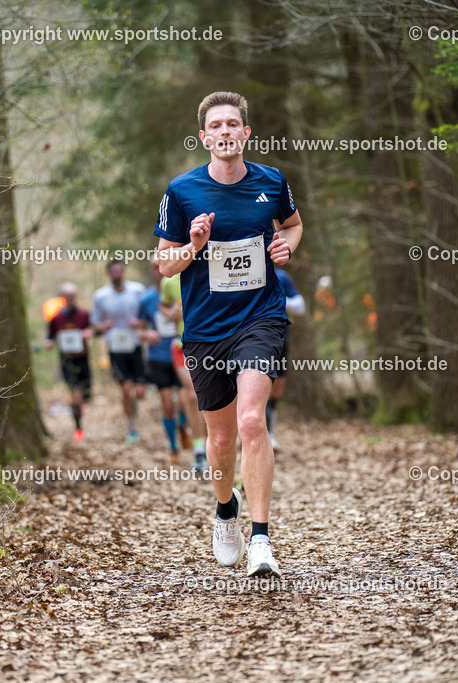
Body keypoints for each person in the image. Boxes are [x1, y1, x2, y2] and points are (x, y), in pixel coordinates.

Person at [154, 91, 302, 578]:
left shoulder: (271, 181)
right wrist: (193, 244)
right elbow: (163, 265)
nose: (224, 132)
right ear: (203, 137)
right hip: (205, 329)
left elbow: (294, 225)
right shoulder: (182, 191)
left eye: (232, 124)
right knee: (220, 439)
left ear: (245, 132)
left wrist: (284, 247)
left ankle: (261, 539)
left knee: (252, 421)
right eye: (215, 126)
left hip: (260, 317)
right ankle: (225, 511)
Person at [138, 257, 192, 463]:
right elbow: (140, 329)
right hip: (158, 356)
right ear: (152, 270)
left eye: (161, 265)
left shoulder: (185, 284)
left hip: (183, 349)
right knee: (167, 402)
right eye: (155, 267)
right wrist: (146, 334)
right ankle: (173, 447)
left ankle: (185, 425)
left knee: (187, 399)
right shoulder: (146, 300)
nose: (159, 270)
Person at [91, 260, 147, 443]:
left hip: (135, 345)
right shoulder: (101, 296)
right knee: (125, 390)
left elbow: (148, 316)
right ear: (108, 274)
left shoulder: (137, 291)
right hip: (115, 348)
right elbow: (95, 325)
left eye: (119, 271)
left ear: (123, 272)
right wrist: (103, 326)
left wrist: (139, 324)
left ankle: (134, 403)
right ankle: (132, 427)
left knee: (139, 391)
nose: (117, 274)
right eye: (113, 272)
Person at [160, 272, 208, 472]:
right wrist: (171, 314)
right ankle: (199, 449)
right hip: (182, 344)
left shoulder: (207, 269)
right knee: (193, 392)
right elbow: (163, 305)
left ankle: (210, 445)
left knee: (206, 394)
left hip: (209, 342)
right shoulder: (169, 280)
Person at [46, 283, 93, 442]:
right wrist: (49, 343)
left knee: (86, 396)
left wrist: (89, 332)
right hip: (67, 361)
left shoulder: (84, 315)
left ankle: (80, 405)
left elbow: (94, 329)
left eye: (73, 296)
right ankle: (78, 428)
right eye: (67, 296)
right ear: (63, 297)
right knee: (75, 395)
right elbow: (50, 336)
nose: (70, 299)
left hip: (83, 359)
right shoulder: (57, 318)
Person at [267, 266, 306, 451]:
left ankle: (269, 431)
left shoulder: (282, 276)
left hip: (281, 339)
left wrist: (280, 299)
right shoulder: (245, 272)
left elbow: (300, 306)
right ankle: (263, 434)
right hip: (251, 341)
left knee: (276, 389)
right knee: (259, 386)